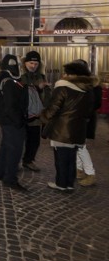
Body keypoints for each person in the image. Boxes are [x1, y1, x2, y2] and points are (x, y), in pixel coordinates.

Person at [40, 61, 95, 191]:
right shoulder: (88, 90)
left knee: (61, 159)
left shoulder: (62, 88)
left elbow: (53, 108)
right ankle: (69, 184)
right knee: (71, 158)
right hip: (78, 130)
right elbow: (89, 111)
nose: (63, 75)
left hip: (62, 130)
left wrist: (43, 116)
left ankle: (61, 184)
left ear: (71, 75)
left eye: (66, 73)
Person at [0, 54, 29, 192]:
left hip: (6, 120)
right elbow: (11, 105)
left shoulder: (3, 79)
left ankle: (1, 173)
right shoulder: (9, 82)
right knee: (15, 149)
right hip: (12, 121)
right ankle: (10, 178)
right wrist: (19, 121)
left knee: (6, 147)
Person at [19, 51, 49, 172]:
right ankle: (16, 161)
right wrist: (37, 87)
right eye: (31, 63)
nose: (33, 66)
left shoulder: (41, 76)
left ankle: (28, 160)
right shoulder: (20, 76)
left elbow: (45, 95)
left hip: (36, 116)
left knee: (34, 141)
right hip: (23, 114)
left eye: (36, 63)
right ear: (25, 63)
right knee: (19, 140)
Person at [74, 59, 101, 187]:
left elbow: (94, 103)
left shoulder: (88, 85)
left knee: (80, 146)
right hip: (83, 119)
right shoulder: (89, 83)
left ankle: (90, 173)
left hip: (84, 119)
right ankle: (79, 170)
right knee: (78, 145)